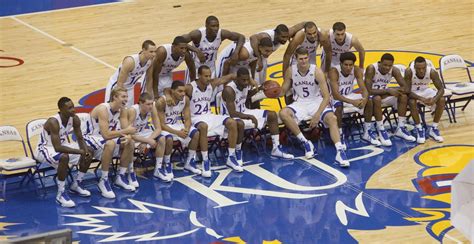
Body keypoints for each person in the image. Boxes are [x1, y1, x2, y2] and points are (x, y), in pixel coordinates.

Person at [279, 47, 350, 167]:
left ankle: (340, 151)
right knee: (283, 113)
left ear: (309, 58)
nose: (303, 61)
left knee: (332, 119)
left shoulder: (316, 71)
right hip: (300, 102)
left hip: (316, 102)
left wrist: (317, 115)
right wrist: (272, 91)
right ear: (296, 59)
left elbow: (327, 96)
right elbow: (283, 90)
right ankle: (305, 143)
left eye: (306, 58)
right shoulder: (290, 71)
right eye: (300, 59)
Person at [221, 68, 294, 160]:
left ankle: (276, 148)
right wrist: (250, 116)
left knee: (271, 115)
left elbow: (245, 96)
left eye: (248, 79)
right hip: (229, 117)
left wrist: (260, 89)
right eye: (243, 80)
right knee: (240, 123)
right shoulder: (229, 90)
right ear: (237, 79)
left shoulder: (245, 85)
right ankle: (237, 151)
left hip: (243, 111)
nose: (246, 82)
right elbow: (232, 113)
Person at [35, 97, 94, 207]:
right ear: (61, 109)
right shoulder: (53, 121)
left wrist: (85, 152)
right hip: (45, 148)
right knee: (64, 157)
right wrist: (79, 151)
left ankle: (77, 184)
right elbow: (57, 148)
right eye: (69, 108)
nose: (73, 110)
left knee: (90, 151)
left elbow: (80, 138)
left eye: (73, 107)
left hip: (62, 146)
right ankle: (61, 194)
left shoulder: (75, 119)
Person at [187, 65, 245, 172]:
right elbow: (171, 90)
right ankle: (205, 161)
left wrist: (245, 78)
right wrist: (167, 94)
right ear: (199, 76)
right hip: (196, 118)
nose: (208, 78)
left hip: (209, 116)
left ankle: (231, 157)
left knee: (232, 122)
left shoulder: (211, 84)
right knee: (203, 126)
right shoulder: (190, 87)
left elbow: (227, 78)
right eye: (205, 76)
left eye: (209, 76)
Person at [84, 87, 137, 199]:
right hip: (91, 137)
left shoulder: (122, 110)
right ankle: (103, 180)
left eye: (126, 96)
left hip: (105, 139)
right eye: (123, 96)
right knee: (111, 143)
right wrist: (127, 132)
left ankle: (120, 177)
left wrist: (127, 137)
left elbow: (125, 130)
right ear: (114, 97)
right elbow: (106, 135)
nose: (126, 99)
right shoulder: (103, 109)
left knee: (130, 142)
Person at [155, 80, 206, 177]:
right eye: (180, 91)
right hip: (162, 127)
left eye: (184, 91)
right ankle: (167, 163)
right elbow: (161, 125)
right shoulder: (162, 102)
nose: (183, 94)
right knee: (169, 138)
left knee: (195, 133)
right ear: (172, 91)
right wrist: (178, 133)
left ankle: (189, 162)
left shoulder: (185, 99)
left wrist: (186, 128)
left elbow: (187, 119)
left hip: (175, 125)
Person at [364, 53, 416, 146]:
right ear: (380, 63)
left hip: (383, 95)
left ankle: (401, 127)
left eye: (390, 65)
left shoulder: (394, 70)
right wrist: (387, 90)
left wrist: (393, 90)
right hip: (370, 97)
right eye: (385, 65)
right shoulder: (371, 69)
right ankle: (381, 129)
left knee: (403, 96)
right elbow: (368, 90)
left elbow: (406, 88)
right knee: (377, 98)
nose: (387, 68)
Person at [121, 92, 174, 182]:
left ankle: (158, 169)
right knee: (131, 142)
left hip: (143, 133)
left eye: (151, 103)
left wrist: (147, 141)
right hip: (132, 135)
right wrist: (148, 141)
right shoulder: (133, 111)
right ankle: (131, 172)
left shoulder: (152, 108)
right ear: (141, 103)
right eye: (148, 104)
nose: (150, 106)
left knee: (162, 138)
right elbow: (129, 133)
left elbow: (158, 129)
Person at [182, 15, 245, 81]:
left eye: (217, 26)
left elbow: (241, 37)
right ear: (206, 26)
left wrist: (236, 52)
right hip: (195, 67)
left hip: (210, 68)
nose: (216, 28)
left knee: (210, 90)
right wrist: (197, 51)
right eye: (213, 26)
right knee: (191, 90)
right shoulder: (198, 34)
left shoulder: (222, 34)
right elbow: (179, 41)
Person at [328, 52, 369, 148]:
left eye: (351, 65)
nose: (348, 67)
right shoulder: (334, 72)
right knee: (339, 105)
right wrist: (353, 102)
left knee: (370, 101)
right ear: (341, 64)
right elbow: (335, 94)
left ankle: (367, 131)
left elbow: (364, 90)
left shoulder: (356, 70)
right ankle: (340, 134)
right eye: (346, 65)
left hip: (349, 96)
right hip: (334, 98)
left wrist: (365, 100)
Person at [406, 56, 445, 143]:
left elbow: (441, 89)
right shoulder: (409, 71)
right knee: (412, 102)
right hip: (413, 92)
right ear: (414, 67)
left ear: (426, 66)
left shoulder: (432, 72)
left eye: (423, 68)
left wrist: (434, 100)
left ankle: (434, 128)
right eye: (418, 68)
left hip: (426, 90)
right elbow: (407, 92)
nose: (421, 70)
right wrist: (422, 99)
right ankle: (419, 129)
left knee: (441, 99)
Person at [104, 40, 156, 106]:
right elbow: (120, 82)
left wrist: (149, 94)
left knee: (128, 112)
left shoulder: (150, 61)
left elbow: (149, 78)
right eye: (151, 52)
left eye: (155, 51)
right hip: (116, 86)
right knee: (112, 109)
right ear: (143, 50)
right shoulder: (130, 61)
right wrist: (121, 97)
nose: (154, 54)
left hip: (130, 87)